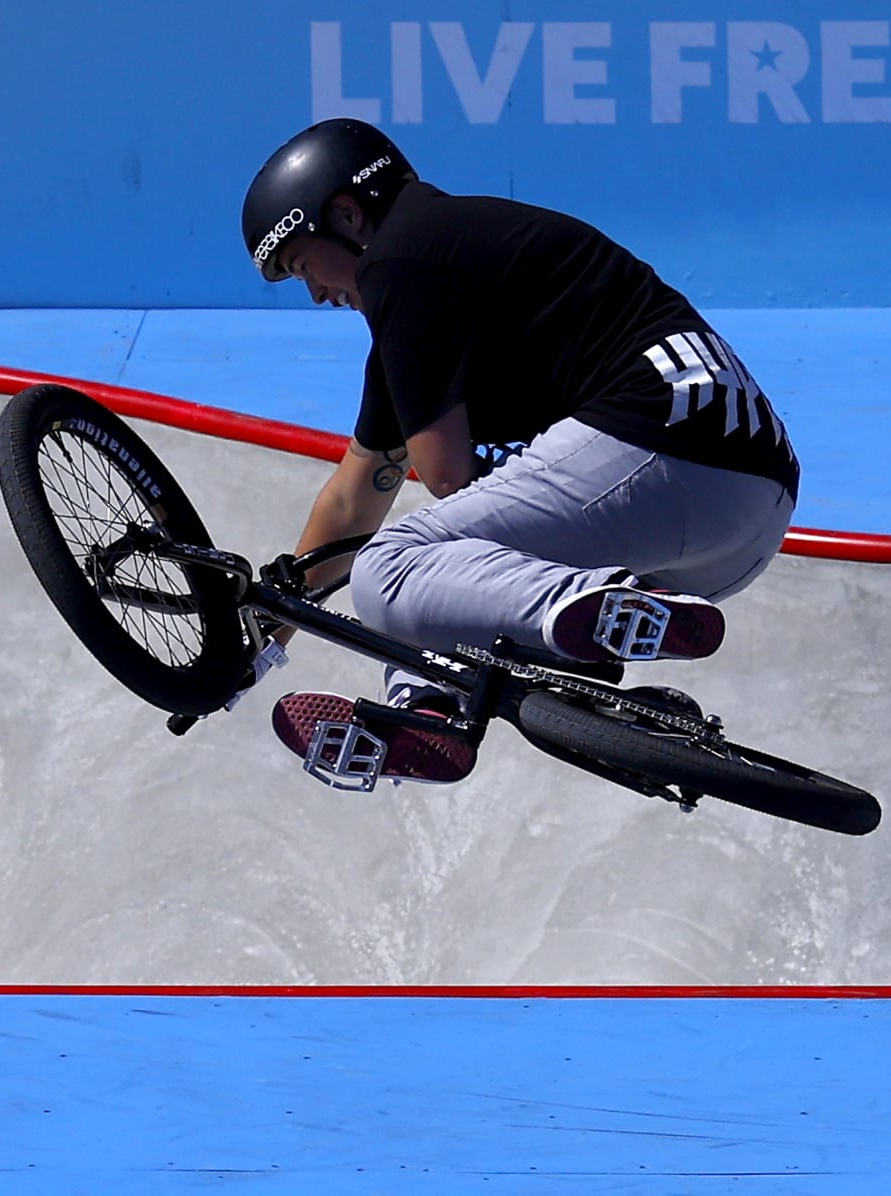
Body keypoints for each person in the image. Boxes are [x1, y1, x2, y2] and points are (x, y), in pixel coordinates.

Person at [235, 118, 799, 786]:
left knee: (388, 570)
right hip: (743, 522)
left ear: (349, 215)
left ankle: (565, 620)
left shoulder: (398, 260)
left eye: (304, 266)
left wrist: (251, 641)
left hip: (664, 445)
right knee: (451, 581)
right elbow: (354, 496)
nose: (317, 294)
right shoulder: (445, 262)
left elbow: (445, 479)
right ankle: (434, 709)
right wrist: (262, 639)